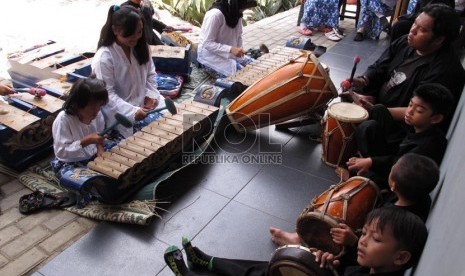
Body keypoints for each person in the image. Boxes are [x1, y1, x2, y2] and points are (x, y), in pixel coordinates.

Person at [163, 207, 428, 276]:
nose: (363, 241)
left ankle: (186, 272)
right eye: (365, 233)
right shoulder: (377, 265)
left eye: (375, 238)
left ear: (401, 257)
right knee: (259, 268)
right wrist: (332, 260)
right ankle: (206, 260)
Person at [341, 4, 464, 135]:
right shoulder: (406, 42)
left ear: (439, 40)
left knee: (368, 127)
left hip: (401, 122)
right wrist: (363, 80)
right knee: (349, 91)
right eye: (415, 23)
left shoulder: (444, 71)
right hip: (380, 101)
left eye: (422, 30)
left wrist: (375, 109)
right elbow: (380, 66)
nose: (413, 31)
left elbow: (417, 113)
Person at [270, 152, 439, 248]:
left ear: (393, 186)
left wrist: (353, 241)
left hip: (355, 253)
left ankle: (299, 241)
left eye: (391, 171)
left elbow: (374, 248)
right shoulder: (419, 197)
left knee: (330, 224)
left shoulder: (389, 218)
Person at [347, 83, 453, 189]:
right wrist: (371, 108)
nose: (409, 111)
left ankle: (362, 166)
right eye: (410, 105)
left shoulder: (426, 146)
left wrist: (371, 161)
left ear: (436, 119)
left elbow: (399, 164)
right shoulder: (420, 125)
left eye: (419, 110)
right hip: (399, 148)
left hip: (396, 172)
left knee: (367, 128)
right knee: (379, 110)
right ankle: (363, 160)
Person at [92, 4, 163, 138]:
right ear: (115, 30)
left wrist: (151, 95)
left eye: (139, 32)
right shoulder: (104, 58)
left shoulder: (141, 46)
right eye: (130, 34)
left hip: (143, 106)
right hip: (119, 114)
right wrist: (132, 111)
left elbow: (150, 74)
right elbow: (107, 95)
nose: (136, 38)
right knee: (150, 138)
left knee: (174, 121)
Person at [50, 77, 108, 175]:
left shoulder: (97, 114)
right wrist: (88, 140)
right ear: (77, 104)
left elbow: (100, 137)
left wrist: (100, 147)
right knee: (79, 178)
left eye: (100, 105)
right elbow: (62, 152)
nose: (97, 110)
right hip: (69, 161)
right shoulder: (63, 120)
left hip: (93, 153)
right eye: (92, 106)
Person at [197, 0, 258, 78]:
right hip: (210, 57)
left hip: (230, 53)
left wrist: (240, 53)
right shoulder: (215, 15)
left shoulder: (236, 12)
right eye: (243, 9)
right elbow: (207, 43)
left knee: (255, 66)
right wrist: (230, 49)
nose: (243, 11)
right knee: (245, 76)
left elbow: (238, 36)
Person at [390, 0, 455, 41]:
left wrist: (401, 17)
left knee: (399, 26)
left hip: (433, 24)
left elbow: (427, 14)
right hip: (422, 18)